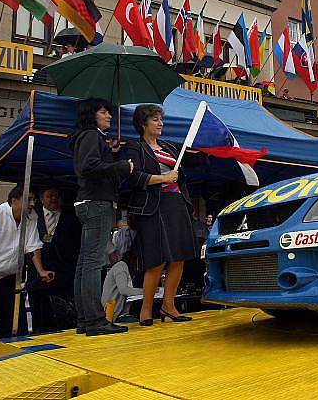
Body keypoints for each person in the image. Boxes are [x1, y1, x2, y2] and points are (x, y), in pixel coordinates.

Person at [126, 104, 198, 326]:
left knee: (178, 257)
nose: (160, 123)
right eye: (155, 119)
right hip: (152, 207)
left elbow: (183, 171)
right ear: (142, 124)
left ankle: (169, 305)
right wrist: (163, 179)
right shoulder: (134, 147)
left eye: (161, 119)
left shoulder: (169, 147)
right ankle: (146, 310)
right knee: (156, 260)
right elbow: (135, 177)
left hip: (176, 204)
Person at [70, 98, 133, 336]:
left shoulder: (89, 138)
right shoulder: (90, 136)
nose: (109, 116)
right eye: (104, 112)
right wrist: (121, 166)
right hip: (96, 203)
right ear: (92, 115)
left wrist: (110, 153)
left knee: (85, 263)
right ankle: (95, 320)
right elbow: (89, 166)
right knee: (93, 264)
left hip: (88, 202)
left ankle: (85, 319)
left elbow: (93, 165)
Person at [0, 186, 53, 339]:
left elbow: (33, 247)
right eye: (28, 199)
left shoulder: (32, 218)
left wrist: (41, 271)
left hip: (8, 281)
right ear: (13, 200)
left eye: (33, 200)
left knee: (16, 329)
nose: (32, 203)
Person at [26, 187, 81, 333]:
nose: (54, 199)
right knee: (39, 317)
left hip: (63, 276)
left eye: (56, 196)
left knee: (63, 318)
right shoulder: (32, 216)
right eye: (50, 196)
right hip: (37, 277)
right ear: (42, 199)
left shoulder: (71, 217)